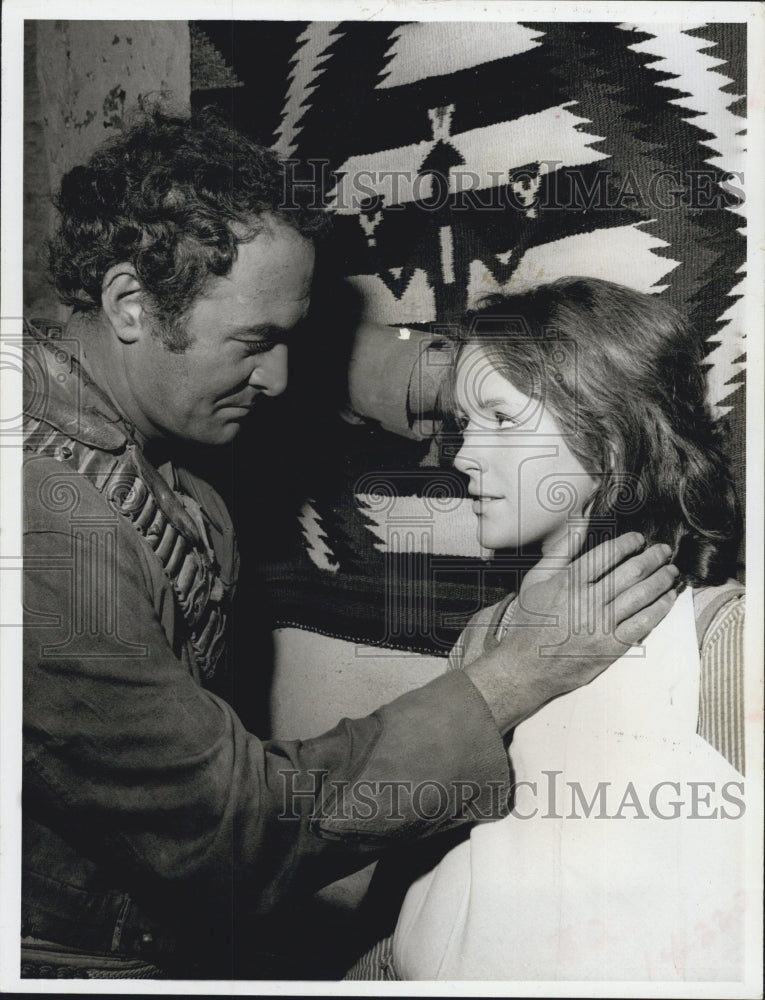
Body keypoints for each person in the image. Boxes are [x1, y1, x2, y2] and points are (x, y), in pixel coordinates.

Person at [22, 110, 678, 980]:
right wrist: (508, 680)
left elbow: (323, 361)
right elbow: (232, 833)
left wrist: (484, 375)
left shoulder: (116, 372)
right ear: (129, 306)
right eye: (257, 345)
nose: (281, 377)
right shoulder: (46, 527)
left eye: (291, 338)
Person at [347, 277, 746, 982]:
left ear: (611, 438)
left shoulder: (722, 639)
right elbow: (427, 886)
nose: (463, 457)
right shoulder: (488, 633)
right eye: (462, 425)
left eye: (500, 420)